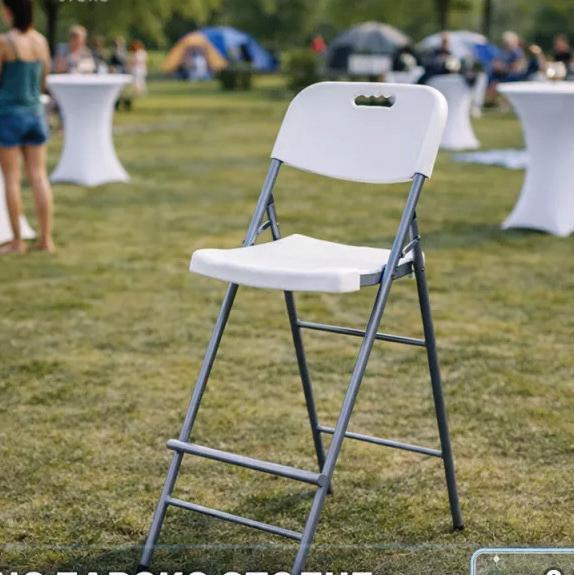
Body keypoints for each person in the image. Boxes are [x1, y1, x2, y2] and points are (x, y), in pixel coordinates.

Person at [0, 0, 54, 254]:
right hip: (35, 115)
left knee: (12, 179)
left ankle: (17, 241)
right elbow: (44, 79)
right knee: (39, 177)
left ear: (10, 11)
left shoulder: (5, 42)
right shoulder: (40, 41)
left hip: (9, 116)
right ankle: (46, 239)